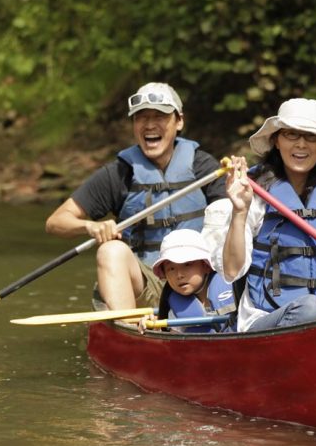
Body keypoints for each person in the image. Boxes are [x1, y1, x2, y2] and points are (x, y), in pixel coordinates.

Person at [45, 82, 226, 311]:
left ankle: (220, 312)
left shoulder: (203, 167)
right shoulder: (119, 174)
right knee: (110, 250)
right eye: (141, 117)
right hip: (148, 284)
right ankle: (130, 328)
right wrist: (90, 227)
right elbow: (55, 222)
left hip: (200, 282)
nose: (149, 124)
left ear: (179, 121)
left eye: (159, 116)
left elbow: (231, 218)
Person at [207, 98, 316, 332]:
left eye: (311, 136)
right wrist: (240, 211)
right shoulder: (254, 197)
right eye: (291, 134)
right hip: (266, 318)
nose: (301, 144)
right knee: (310, 308)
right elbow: (231, 270)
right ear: (276, 141)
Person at [152, 229, 237, 333]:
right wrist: (154, 327)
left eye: (187, 264)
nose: (179, 275)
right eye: (171, 269)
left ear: (206, 266)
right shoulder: (172, 311)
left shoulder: (236, 287)